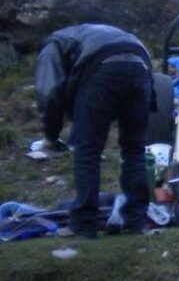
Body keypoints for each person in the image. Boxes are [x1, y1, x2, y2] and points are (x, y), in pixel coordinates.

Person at [35, 24, 154, 237]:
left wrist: (50, 136)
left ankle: (83, 224)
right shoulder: (90, 34)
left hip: (102, 69)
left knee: (87, 150)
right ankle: (136, 220)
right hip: (140, 64)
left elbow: (50, 93)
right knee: (134, 149)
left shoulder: (51, 46)